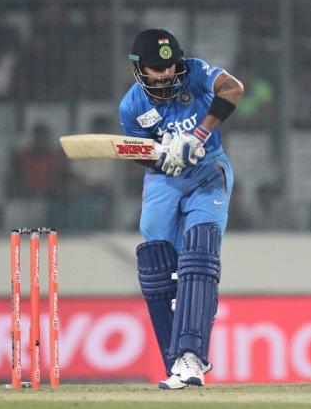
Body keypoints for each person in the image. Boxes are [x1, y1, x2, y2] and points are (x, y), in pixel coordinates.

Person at [118, 29, 243, 389]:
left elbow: (233, 89)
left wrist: (198, 136)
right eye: (156, 68)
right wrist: (164, 155)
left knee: (199, 256)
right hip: (163, 181)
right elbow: (139, 154)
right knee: (157, 267)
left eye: (169, 65)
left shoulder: (195, 71)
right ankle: (175, 363)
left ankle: (192, 356)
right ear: (139, 69)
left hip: (208, 173)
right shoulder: (131, 107)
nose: (165, 73)